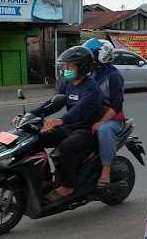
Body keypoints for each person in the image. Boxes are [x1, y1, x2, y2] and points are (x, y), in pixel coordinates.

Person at [32, 46, 103, 202]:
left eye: (69, 66)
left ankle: (67, 186)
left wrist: (60, 120)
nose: (65, 70)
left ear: (82, 67)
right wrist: (32, 114)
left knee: (65, 147)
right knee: (36, 139)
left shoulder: (91, 88)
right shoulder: (68, 84)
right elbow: (54, 103)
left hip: (86, 129)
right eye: (64, 67)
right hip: (69, 127)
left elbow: (80, 109)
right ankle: (45, 181)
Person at [83, 38, 125, 189]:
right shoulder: (91, 74)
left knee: (104, 130)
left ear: (102, 55)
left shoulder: (114, 76)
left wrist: (101, 122)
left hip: (113, 120)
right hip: (92, 117)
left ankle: (106, 169)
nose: (88, 59)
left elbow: (117, 105)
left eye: (91, 55)